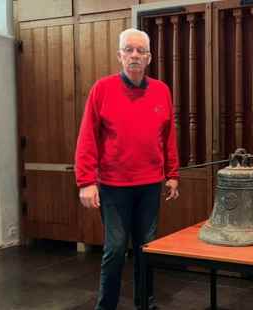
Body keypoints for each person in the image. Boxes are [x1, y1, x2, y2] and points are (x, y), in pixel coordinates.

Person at [75, 28, 180, 310]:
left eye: (140, 51)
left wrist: (172, 174)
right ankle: (105, 306)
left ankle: (145, 303)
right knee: (116, 250)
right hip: (113, 186)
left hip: (149, 185)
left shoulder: (161, 90)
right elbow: (87, 136)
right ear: (119, 55)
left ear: (149, 58)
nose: (134, 55)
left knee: (147, 249)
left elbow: (168, 135)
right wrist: (86, 181)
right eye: (129, 50)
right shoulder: (102, 89)